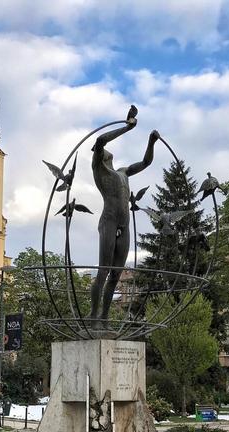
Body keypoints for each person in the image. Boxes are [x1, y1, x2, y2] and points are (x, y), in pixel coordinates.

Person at [88, 106, 160, 326]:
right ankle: (93, 316)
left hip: (124, 225)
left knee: (116, 275)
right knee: (103, 271)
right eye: (103, 151)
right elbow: (100, 140)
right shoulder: (99, 169)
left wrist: (151, 142)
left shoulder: (122, 172)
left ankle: (105, 316)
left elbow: (146, 163)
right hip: (108, 222)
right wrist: (128, 127)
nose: (108, 151)